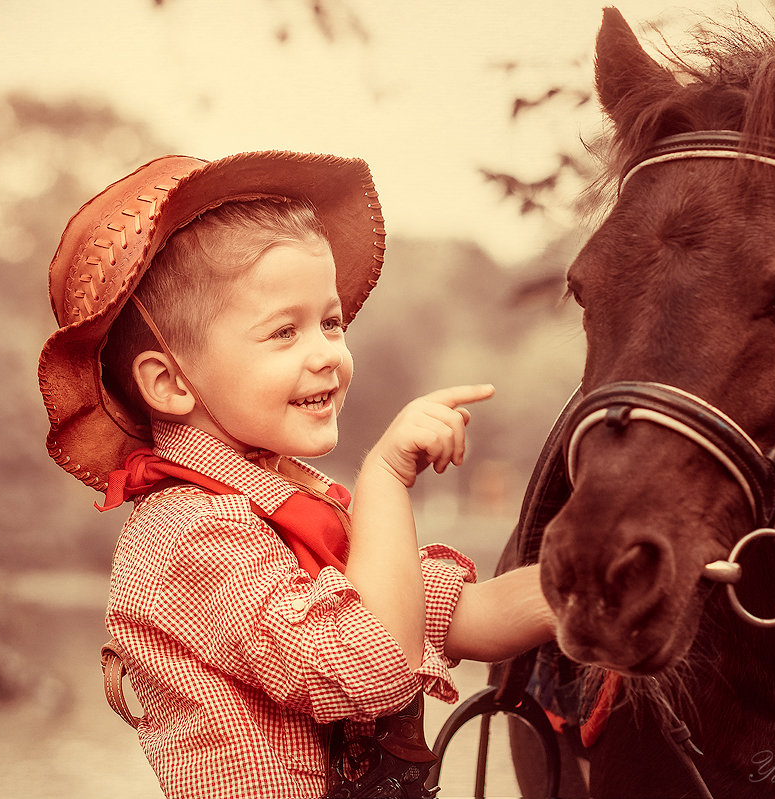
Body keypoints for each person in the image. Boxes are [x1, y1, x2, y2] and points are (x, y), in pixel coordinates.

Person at [36, 150, 554, 798]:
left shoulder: (292, 509)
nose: (328, 355)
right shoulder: (192, 535)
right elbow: (374, 664)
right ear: (169, 382)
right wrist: (386, 479)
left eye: (331, 322)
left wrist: (587, 590)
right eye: (285, 332)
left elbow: (457, 612)